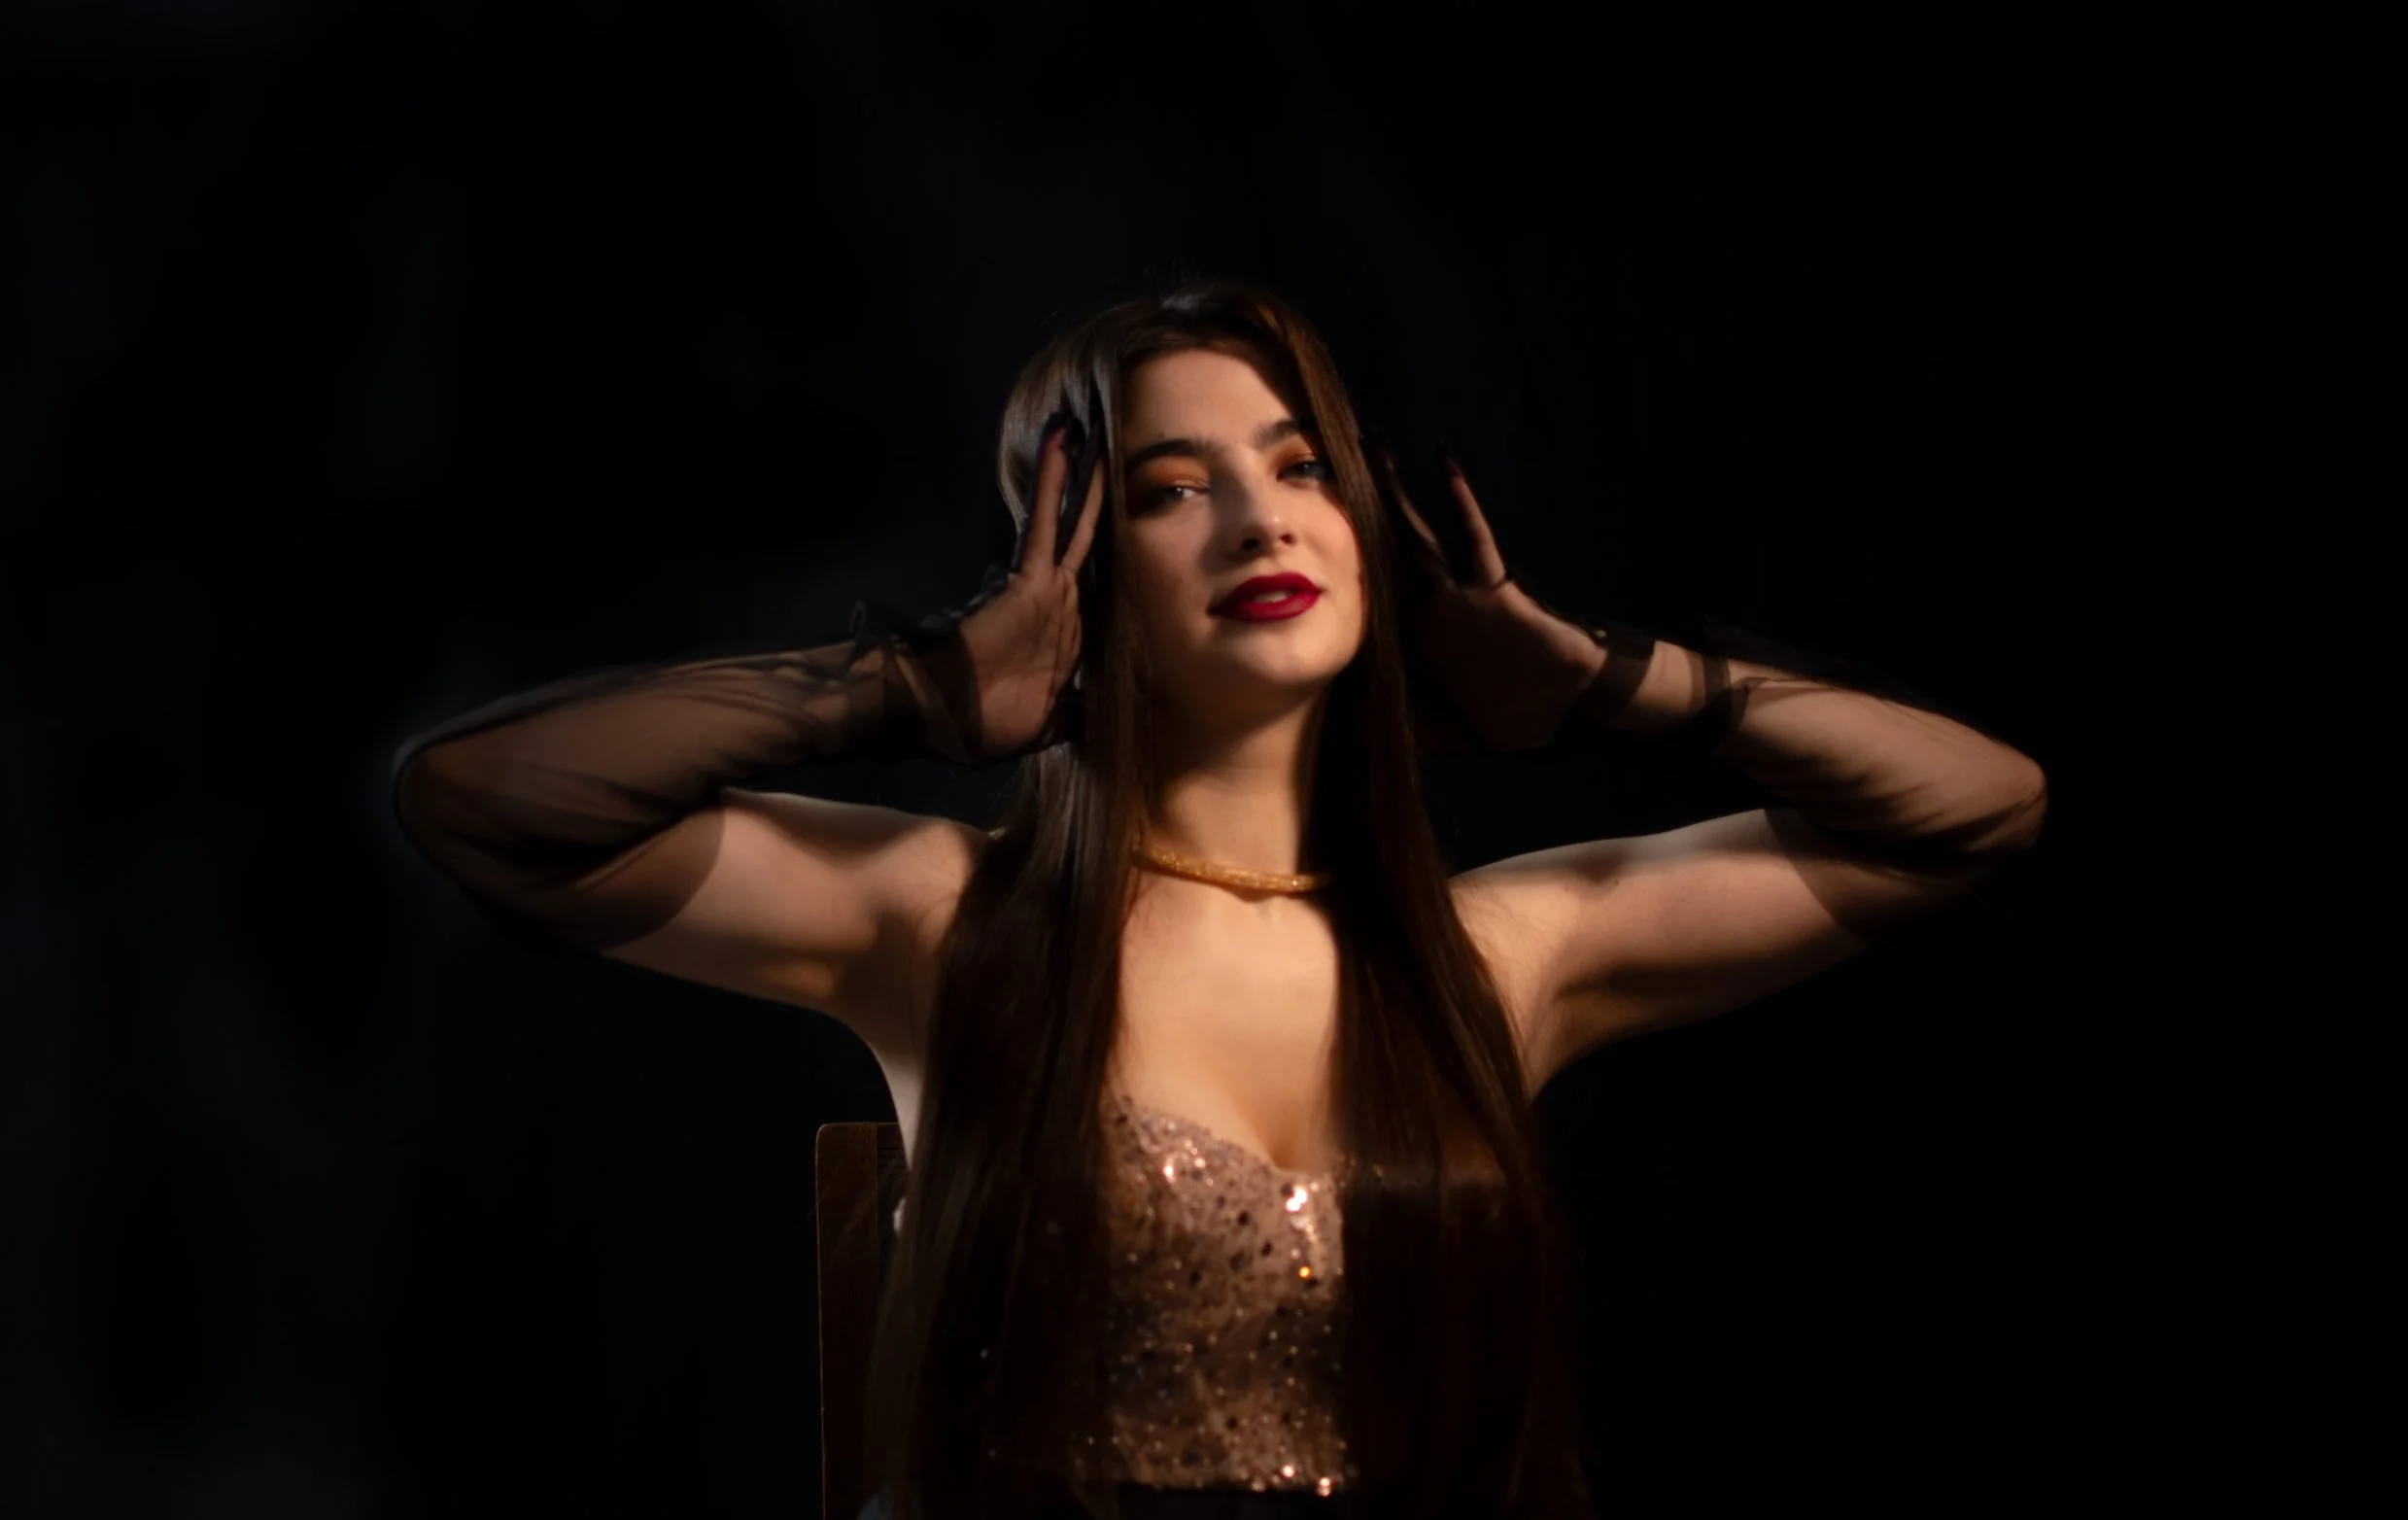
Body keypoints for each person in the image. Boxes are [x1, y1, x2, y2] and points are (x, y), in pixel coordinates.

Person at [390, 281, 2047, 1520]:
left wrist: (1619, 679)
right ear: (1081, 557)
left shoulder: (1490, 957)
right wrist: (901, 685)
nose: (1262, 517)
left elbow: (1975, 812)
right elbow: (484, 808)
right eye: (1177, 487)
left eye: (1301, 464)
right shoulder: (951, 919)